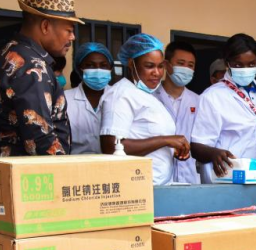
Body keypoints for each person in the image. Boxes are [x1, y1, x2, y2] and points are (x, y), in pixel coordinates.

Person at [0, 0, 81, 157]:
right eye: (69, 30)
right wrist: (63, 175)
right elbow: (41, 140)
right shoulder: (33, 67)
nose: (73, 37)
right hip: (31, 177)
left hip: (3, 165)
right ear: (45, 26)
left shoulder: (2, 55)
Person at [100, 33, 190, 186]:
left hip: (157, 186)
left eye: (160, 66)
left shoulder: (146, 94)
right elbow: (111, 147)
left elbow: (146, 136)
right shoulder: (121, 95)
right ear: (131, 63)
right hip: (136, 189)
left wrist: (174, 148)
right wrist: (166, 140)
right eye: (149, 66)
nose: (157, 72)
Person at [191, 33, 256, 182]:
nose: (245, 69)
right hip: (228, 178)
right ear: (227, 63)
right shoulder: (212, 96)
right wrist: (214, 153)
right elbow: (197, 147)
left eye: (251, 64)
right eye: (238, 65)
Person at [154, 41, 200, 184]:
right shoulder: (150, 98)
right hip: (157, 177)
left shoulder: (198, 101)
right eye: (181, 63)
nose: (186, 69)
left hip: (189, 176)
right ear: (167, 65)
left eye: (190, 65)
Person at [65, 42, 112, 155]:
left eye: (103, 65)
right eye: (90, 65)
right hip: (76, 166)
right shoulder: (65, 99)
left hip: (112, 166)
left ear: (110, 68)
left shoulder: (119, 97)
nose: (98, 70)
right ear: (79, 68)